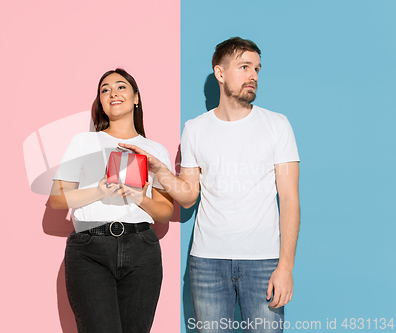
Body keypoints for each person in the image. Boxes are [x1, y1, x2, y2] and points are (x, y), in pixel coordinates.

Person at [121, 37, 300, 332]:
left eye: (256, 68)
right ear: (220, 73)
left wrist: (285, 268)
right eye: (244, 67)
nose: (253, 75)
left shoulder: (277, 125)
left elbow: (291, 200)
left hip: (263, 261)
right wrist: (159, 169)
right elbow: (189, 197)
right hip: (207, 262)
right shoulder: (195, 128)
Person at [50, 68, 174, 333]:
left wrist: (140, 196)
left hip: (143, 249)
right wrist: (100, 191)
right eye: (105, 90)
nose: (112, 93)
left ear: (136, 98)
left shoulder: (155, 150)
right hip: (90, 249)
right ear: (101, 104)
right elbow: (57, 199)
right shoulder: (83, 142)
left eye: (120, 87)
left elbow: (165, 211)